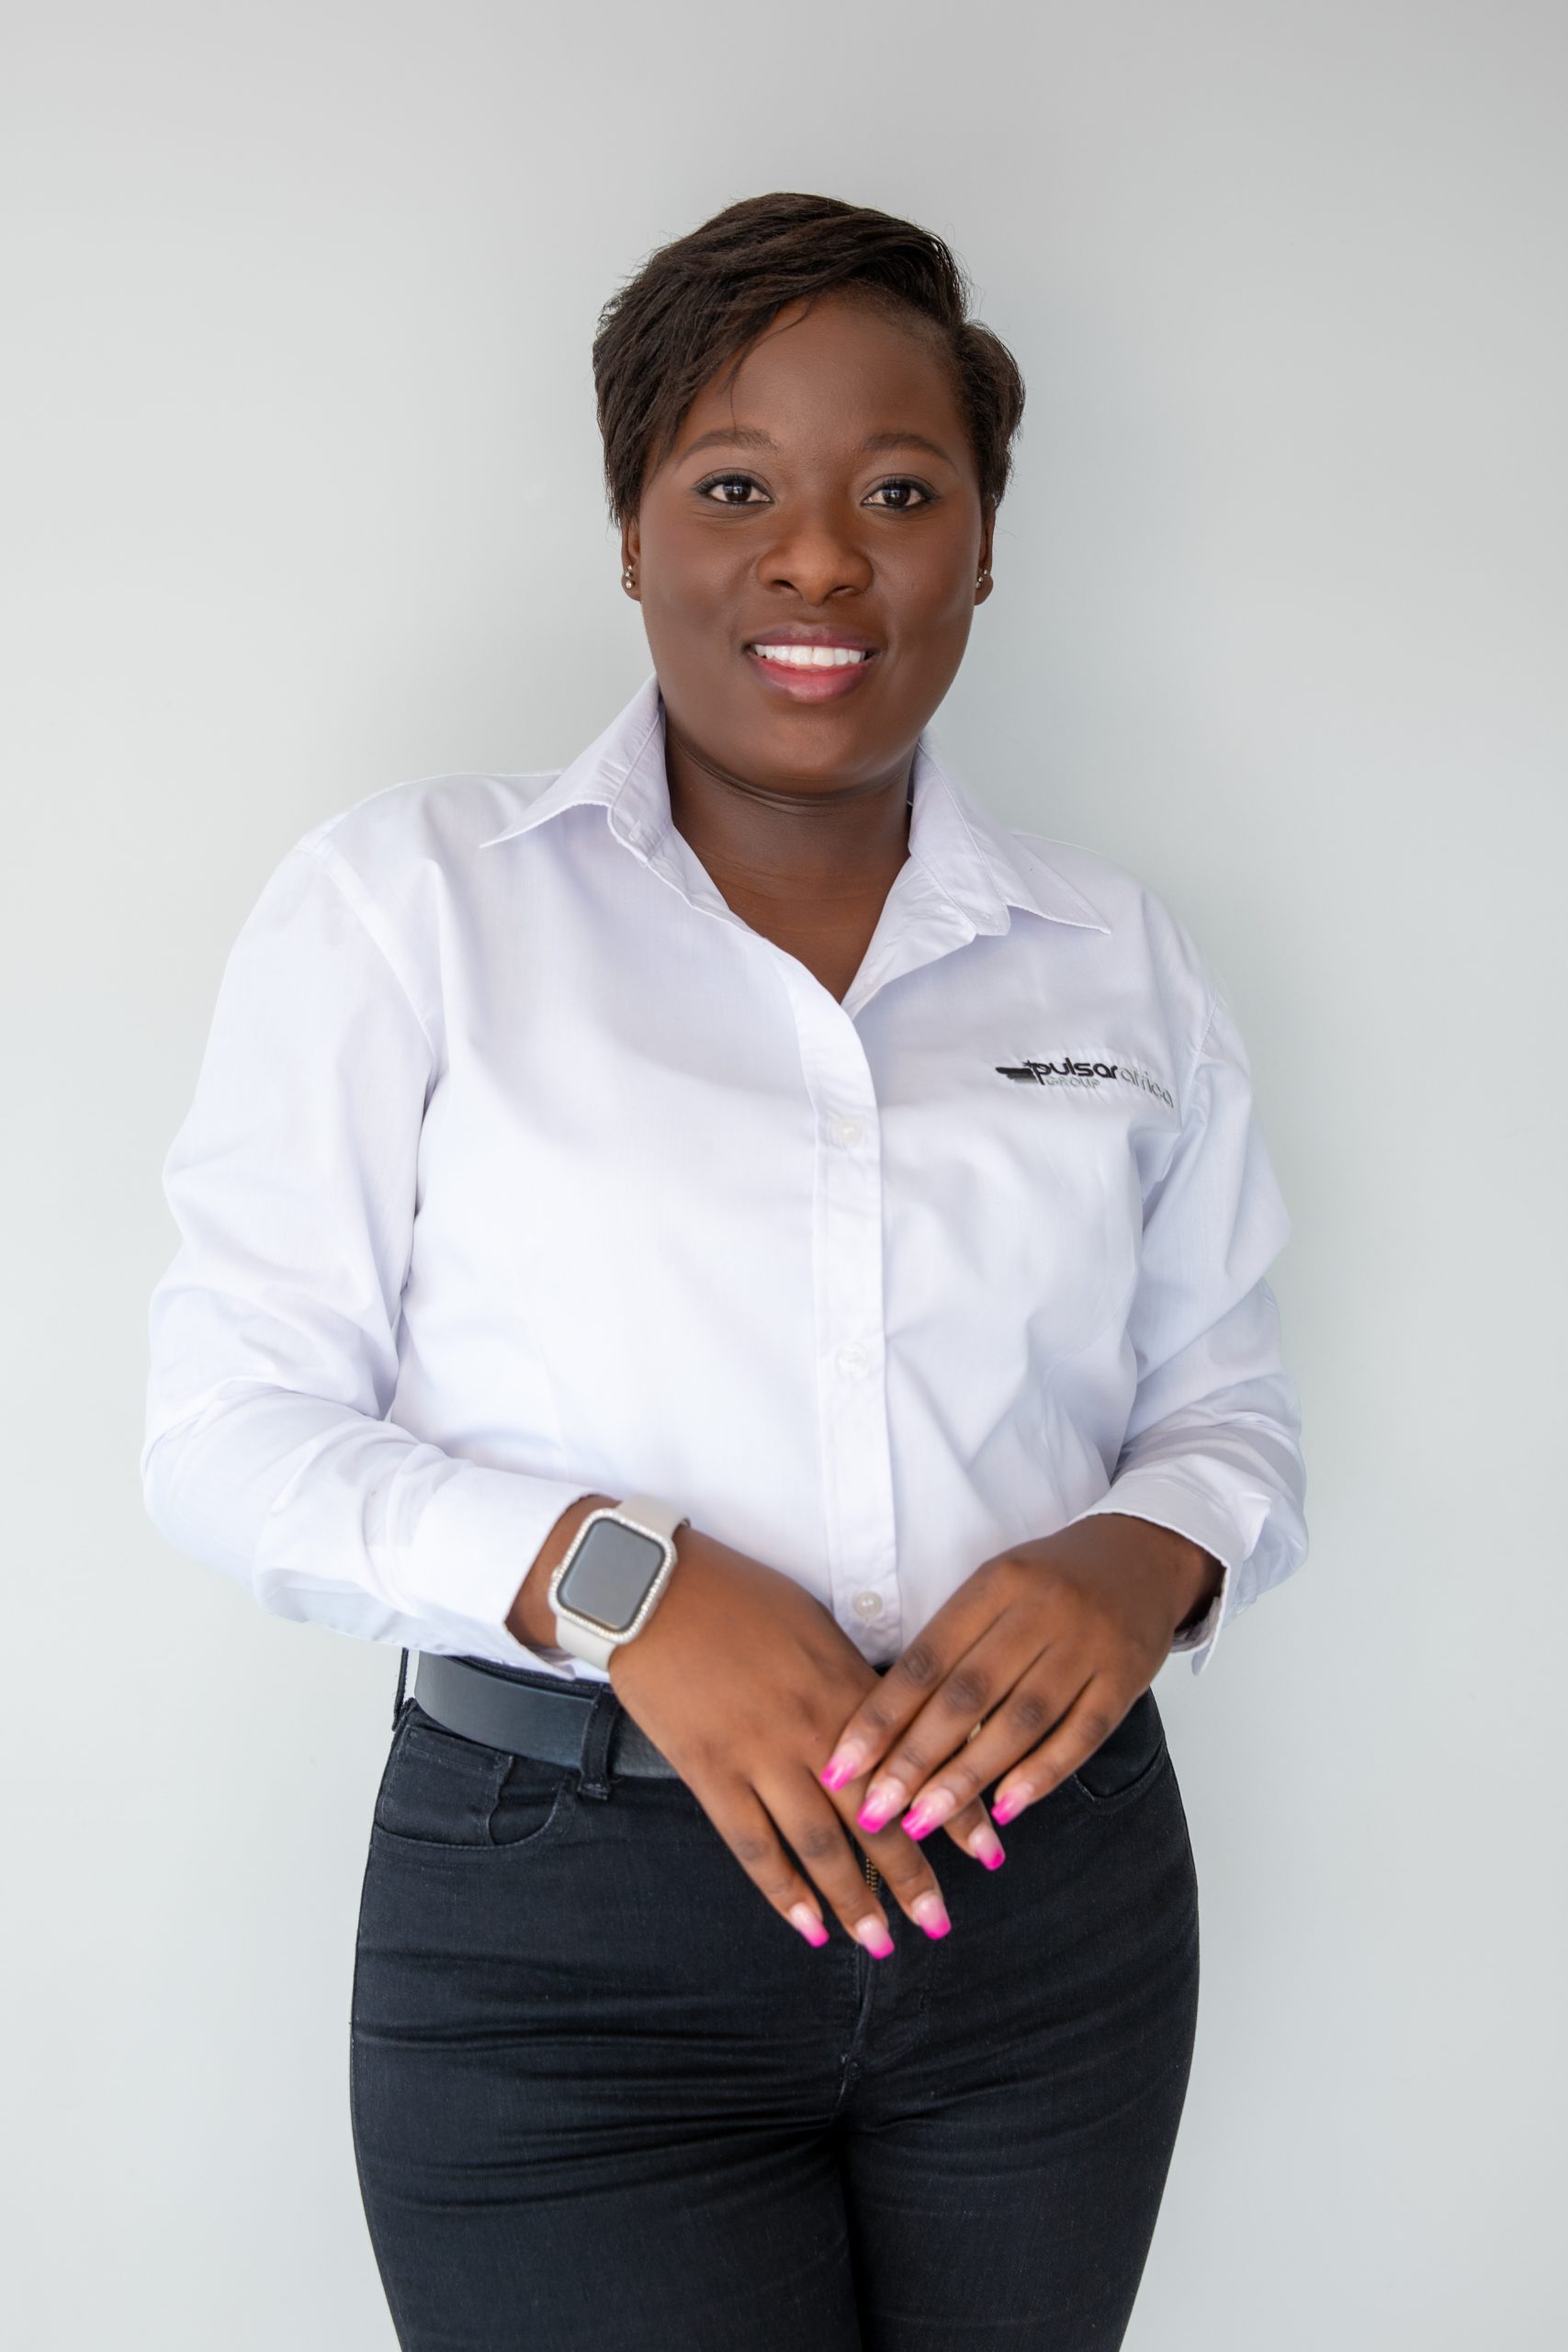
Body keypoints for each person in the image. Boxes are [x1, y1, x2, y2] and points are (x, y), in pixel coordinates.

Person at [141, 192, 1308, 2351]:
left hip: (1043, 1912)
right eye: (735, 487)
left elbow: (1221, 1400)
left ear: (982, 543)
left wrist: (1144, 1554)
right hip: (569, 1926)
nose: (819, 559)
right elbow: (226, 1432)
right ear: (629, 530)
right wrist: (626, 1578)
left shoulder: (1115, 956)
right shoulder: (411, 905)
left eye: (898, 492)